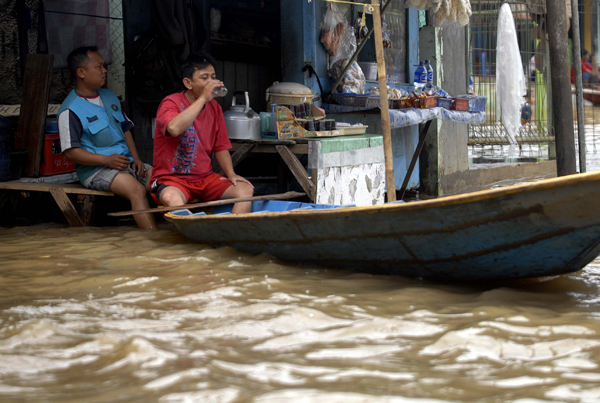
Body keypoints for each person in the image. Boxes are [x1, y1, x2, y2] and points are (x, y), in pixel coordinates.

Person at [58, 46, 157, 230]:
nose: (105, 71)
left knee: (163, 181)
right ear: (81, 72)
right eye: (100, 66)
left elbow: (125, 129)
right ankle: (153, 240)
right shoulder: (70, 109)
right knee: (137, 190)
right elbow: (71, 152)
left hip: (125, 162)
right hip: (96, 170)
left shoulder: (110, 96)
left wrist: (136, 158)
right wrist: (107, 160)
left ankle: (179, 234)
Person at [150, 52, 254, 214]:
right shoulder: (171, 102)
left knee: (245, 189)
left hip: (205, 179)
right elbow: (174, 128)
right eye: (204, 77)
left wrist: (231, 174)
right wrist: (203, 98)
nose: (211, 82)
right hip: (172, 179)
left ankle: (233, 234)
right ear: (188, 83)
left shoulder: (215, 108)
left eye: (213, 77)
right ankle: (195, 233)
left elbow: (220, 147)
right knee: (171, 197)